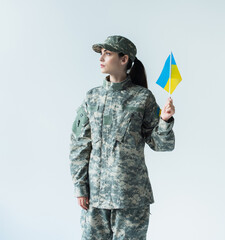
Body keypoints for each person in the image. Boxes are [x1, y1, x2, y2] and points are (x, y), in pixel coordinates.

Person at [69, 35, 175, 240]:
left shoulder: (143, 97)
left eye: (107, 54)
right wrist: (80, 187)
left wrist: (164, 120)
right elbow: (79, 145)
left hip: (131, 199)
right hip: (95, 199)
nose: (101, 59)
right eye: (101, 54)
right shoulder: (92, 97)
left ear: (124, 59)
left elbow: (162, 145)